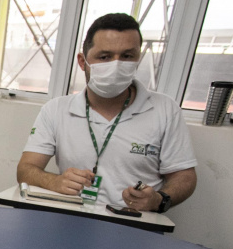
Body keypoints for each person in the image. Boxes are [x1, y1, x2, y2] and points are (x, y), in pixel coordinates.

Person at [16, 13, 197, 212]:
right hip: (73, 217)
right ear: (83, 62)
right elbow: (26, 169)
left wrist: (159, 199)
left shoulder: (165, 109)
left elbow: (184, 176)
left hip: (134, 224)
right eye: (105, 57)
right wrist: (54, 181)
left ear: (137, 59)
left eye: (127, 56)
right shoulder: (56, 110)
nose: (116, 65)